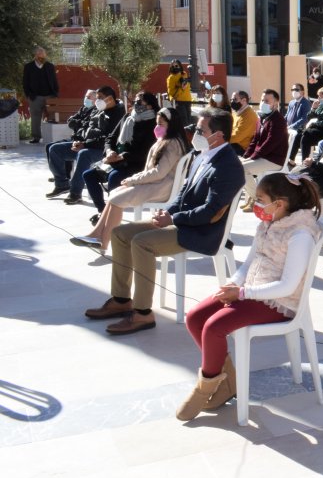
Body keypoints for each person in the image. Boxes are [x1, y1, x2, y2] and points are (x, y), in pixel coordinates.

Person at [84, 109, 245, 335]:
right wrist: (166, 213)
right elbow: (183, 195)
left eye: (200, 130)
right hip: (182, 223)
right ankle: (121, 300)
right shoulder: (203, 155)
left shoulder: (228, 166)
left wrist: (173, 218)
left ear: (217, 135)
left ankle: (142, 313)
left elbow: (211, 213)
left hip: (201, 233)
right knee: (120, 234)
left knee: (142, 243)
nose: (194, 133)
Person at [177, 172, 323, 421]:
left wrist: (243, 293)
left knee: (214, 327)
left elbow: (288, 286)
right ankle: (228, 381)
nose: (256, 204)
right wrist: (233, 284)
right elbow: (250, 262)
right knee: (195, 317)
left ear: (279, 203)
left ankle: (207, 386)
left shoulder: (300, 235)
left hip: (278, 302)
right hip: (252, 290)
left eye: (260, 199)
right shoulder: (269, 222)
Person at [71, 108, 189, 251]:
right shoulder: (165, 140)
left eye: (161, 124)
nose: (157, 127)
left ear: (171, 124)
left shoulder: (173, 144)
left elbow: (159, 172)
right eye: (157, 123)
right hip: (155, 184)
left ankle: (103, 241)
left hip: (162, 187)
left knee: (117, 200)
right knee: (114, 194)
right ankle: (96, 234)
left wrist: (134, 180)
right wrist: (134, 179)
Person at [82, 91, 159, 212]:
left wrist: (123, 156)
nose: (135, 105)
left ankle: (111, 214)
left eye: (139, 102)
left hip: (137, 164)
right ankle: (102, 211)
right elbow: (110, 138)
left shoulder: (153, 123)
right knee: (88, 175)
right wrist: (109, 152)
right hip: (117, 160)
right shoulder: (128, 117)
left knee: (114, 177)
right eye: (134, 102)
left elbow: (147, 151)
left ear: (150, 105)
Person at [56, 86, 126, 205]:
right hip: (86, 143)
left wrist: (85, 144)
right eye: (97, 97)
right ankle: (62, 184)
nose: (97, 100)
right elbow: (86, 127)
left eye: (100, 98)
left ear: (110, 99)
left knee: (84, 154)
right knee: (55, 149)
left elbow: (108, 139)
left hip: (102, 149)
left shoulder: (118, 114)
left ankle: (75, 193)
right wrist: (78, 140)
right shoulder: (98, 110)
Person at [239, 89, 289, 210]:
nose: (263, 103)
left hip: (274, 159)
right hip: (263, 156)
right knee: (236, 164)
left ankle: (256, 199)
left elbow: (270, 143)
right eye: (262, 100)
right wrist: (246, 156)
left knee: (241, 169)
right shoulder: (262, 117)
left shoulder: (278, 120)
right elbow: (255, 140)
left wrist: (254, 156)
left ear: (275, 103)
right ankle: (254, 198)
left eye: (267, 101)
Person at [46, 90, 97, 196]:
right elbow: (71, 121)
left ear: (95, 99)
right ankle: (61, 177)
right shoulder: (84, 109)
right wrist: (77, 122)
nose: (86, 99)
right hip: (75, 138)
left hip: (83, 142)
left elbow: (85, 125)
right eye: (85, 96)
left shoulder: (96, 111)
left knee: (55, 149)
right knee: (49, 146)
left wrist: (76, 122)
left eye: (88, 97)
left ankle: (62, 182)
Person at [23, 46, 60, 143]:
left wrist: (55, 92)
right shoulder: (28, 67)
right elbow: (25, 83)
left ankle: (52, 137)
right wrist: (28, 95)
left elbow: (54, 81)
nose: (42, 56)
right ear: (35, 56)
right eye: (40, 54)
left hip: (50, 96)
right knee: (35, 117)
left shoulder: (50, 66)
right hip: (35, 97)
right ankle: (36, 137)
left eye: (43, 54)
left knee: (51, 116)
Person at [285, 82, 312, 162]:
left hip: (299, 129)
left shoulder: (306, 103)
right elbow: (287, 115)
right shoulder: (291, 102)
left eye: (296, 89)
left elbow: (304, 118)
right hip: (289, 127)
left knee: (295, 137)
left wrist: (292, 126)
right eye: (292, 89)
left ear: (302, 92)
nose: (294, 91)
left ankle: (291, 159)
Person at [228, 90, 258, 156]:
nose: (232, 102)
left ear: (244, 100)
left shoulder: (249, 115)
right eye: (231, 99)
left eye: (235, 99)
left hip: (243, 148)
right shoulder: (237, 112)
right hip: (234, 143)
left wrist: (220, 140)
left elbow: (236, 137)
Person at [165, 60, 192, 126]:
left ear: (180, 66)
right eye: (173, 66)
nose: (174, 67)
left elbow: (187, 88)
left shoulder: (184, 74)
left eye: (176, 65)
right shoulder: (171, 78)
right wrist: (181, 88)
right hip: (178, 102)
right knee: (184, 121)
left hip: (187, 100)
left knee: (189, 120)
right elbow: (171, 93)